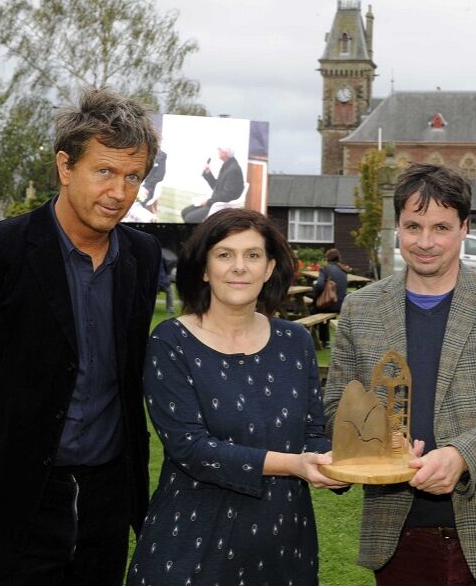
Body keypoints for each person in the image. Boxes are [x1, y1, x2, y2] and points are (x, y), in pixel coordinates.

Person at [0, 88, 162, 585]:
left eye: (133, 176)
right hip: (11, 496)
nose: (119, 192)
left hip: (106, 498)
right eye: (104, 171)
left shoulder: (142, 255)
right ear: (65, 167)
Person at [324, 162, 476, 586]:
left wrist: (462, 454)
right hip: (398, 531)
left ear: (464, 228)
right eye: (413, 227)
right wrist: (376, 445)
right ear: (397, 229)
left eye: (441, 228)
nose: (425, 242)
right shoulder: (362, 308)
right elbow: (337, 404)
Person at [127, 208, 346, 585]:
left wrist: (347, 462)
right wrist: (294, 465)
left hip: (282, 544)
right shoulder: (171, 342)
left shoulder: (294, 342)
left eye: (253, 255)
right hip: (193, 544)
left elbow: (312, 432)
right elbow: (190, 448)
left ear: (270, 267)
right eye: (225, 255)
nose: (240, 267)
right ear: (204, 269)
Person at [180, 145, 244, 223]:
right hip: (216, 202)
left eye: (219, 149)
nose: (218, 151)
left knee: (190, 219)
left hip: (221, 206)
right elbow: (216, 187)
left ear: (225, 153)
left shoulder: (233, 170)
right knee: (184, 212)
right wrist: (208, 173)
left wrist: (208, 201)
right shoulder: (227, 165)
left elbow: (227, 195)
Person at [310, 247, 348, 348]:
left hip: (329, 303)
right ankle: (325, 341)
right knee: (321, 312)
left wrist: (315, 297)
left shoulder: (325, 269)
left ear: (327, 258)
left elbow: (319, 285)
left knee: (314, 310)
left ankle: (313, 340)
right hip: (339, 305)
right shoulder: (343, 270)